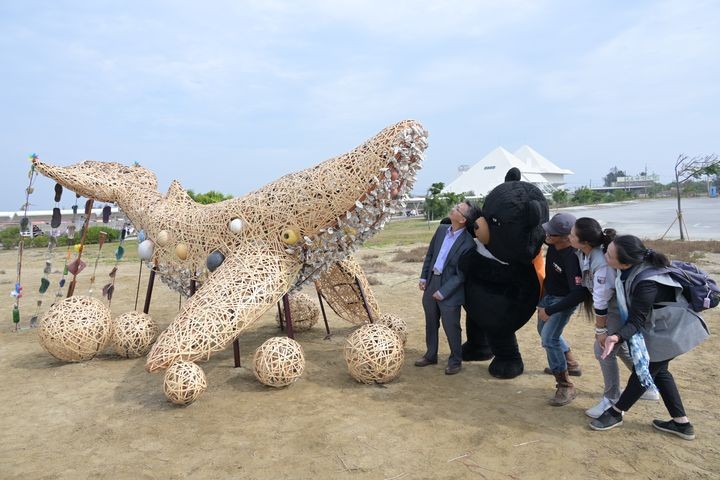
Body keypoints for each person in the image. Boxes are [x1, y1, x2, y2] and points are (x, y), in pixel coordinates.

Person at [589, 235, 709, 440]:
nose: (605, 257)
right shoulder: (631, 269)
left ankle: (615, 413)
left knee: (642, 374)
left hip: (674, 331)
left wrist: (615, 337)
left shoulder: (646, 283)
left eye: (609, 255)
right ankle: (682, 423)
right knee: (660, 372)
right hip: (662, 329)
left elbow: (636, 321)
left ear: (625, 262)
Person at [568, 218, 633, 417]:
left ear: (584, 242)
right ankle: (647, 381)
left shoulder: (601, 263)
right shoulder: (584, 253)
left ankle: (611, 399)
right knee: (618, 348)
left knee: (604, 349)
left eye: (572, 235)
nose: (568, 237)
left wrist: (601, 331)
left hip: (615, 308)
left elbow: (602, 302)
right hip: (611, 307)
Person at [417, 201, 480, 375]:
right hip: (431, 283)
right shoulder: (440, 231)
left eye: (458, 209)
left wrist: (443, 291)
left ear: (463, 219)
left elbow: (461, 274)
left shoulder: (468, 243)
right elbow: (430, 255)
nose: (453, 208)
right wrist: (424, 277)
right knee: (431, 322)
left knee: (451, 326)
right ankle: (431, 355)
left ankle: (455, 360)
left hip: (450, 290)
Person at [537, 212, 587, 406]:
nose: (548, 236)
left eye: (553, 234)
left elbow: (578, 293)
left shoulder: (572, 258)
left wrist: (550, 310)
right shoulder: (553, 246)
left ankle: (565, 385)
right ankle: (571, 363)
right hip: (549, 296)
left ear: (568, 238)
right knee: (543, 331)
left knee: (549, 339)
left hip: (564, 300)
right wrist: (543, 302)